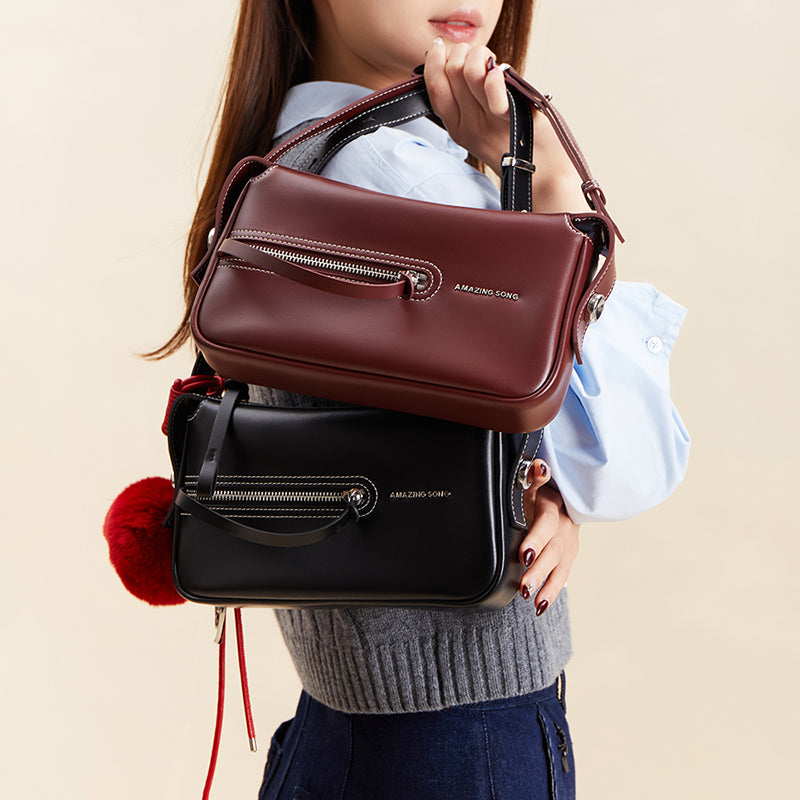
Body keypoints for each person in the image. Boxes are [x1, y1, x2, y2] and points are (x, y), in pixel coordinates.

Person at [151, 1, 690, 797]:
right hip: (461, 744)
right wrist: (548, 179)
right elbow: (628, 461)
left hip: (345, 732)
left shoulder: (286, 163)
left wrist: (535, 483)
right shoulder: (402, 179)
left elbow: (417, 435)